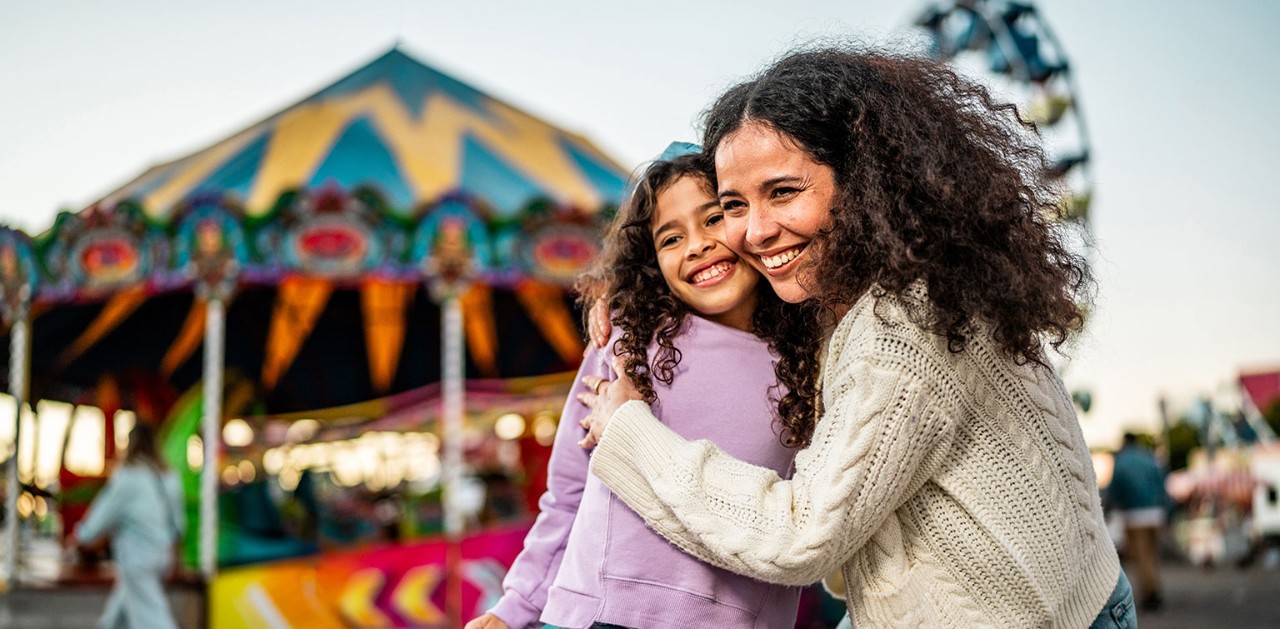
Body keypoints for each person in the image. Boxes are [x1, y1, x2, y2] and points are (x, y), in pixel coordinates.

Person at [579, 46, 1134, 628]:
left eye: (784, 192)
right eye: (733, 205)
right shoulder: (873, 281)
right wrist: (627, 287)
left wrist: (629, 433)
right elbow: (688, 224)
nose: (757, 231)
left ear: (865, 179)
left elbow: (801, 536)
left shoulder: (901, 328)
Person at [466, 144, 820, 629]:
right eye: (670, 239)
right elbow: (569, 491)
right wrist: (516, 607)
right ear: (651, 261)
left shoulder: (813, 362)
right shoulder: (629, 340)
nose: (696, 245)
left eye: (714, 218)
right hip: (595, 614)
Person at [72, 421, 185, 629]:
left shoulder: (128, 478)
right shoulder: (170, 476)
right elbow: (179, 524)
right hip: (163, 557)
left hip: (138, 558)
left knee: (154, 619)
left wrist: (80, 536)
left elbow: (98, 519)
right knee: (119, 614)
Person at [1109, 432, 1169, 612]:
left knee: (1142, 557)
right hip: (1155, 512)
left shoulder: (1122, 461)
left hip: (1135, 515)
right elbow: (1162, 483)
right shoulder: (1149, 458)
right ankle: (1155, 588)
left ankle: (1151, 595)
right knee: (1152, 554)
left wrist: (1110, 508)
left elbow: (1115, 489)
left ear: (1125, 442)